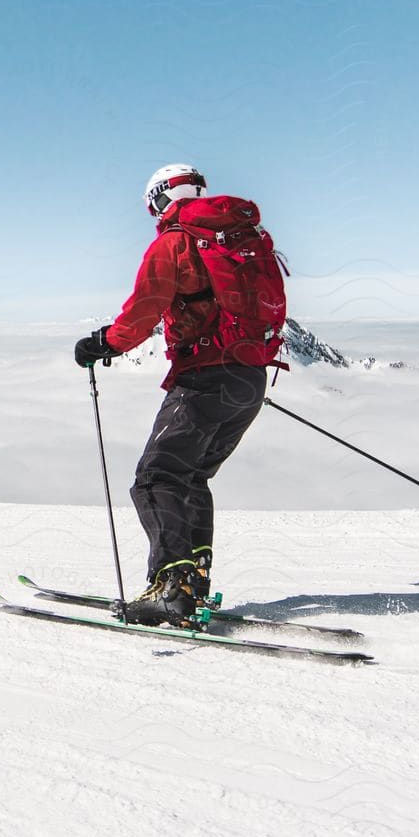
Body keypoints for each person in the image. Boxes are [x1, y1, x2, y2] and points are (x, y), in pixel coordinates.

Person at [73, 164, 288, 627]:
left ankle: (171, 589)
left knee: (155, 480)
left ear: (159, 199)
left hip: (204, 379)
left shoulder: (176, 241)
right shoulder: (240, 238)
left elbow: (142, 311)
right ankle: (195, 582)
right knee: (191, 479)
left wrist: (102, 344)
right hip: (249, 380)